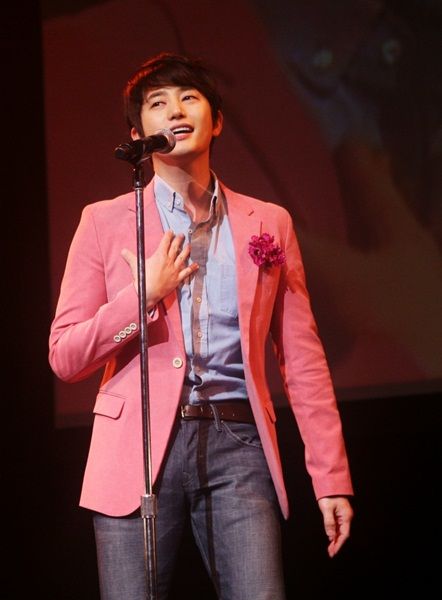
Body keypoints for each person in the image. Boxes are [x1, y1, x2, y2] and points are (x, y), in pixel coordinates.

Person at [49, 52, 354, 600]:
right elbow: (65, 356)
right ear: (138, 133)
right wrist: (143, 296)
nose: (175, 110)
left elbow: (303, 359)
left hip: (237, 442)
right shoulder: (104, 221)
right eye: (158, 103)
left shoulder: (268, 222)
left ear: (216, 121)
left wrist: (331, 478)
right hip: (137, 447)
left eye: (189, 98)